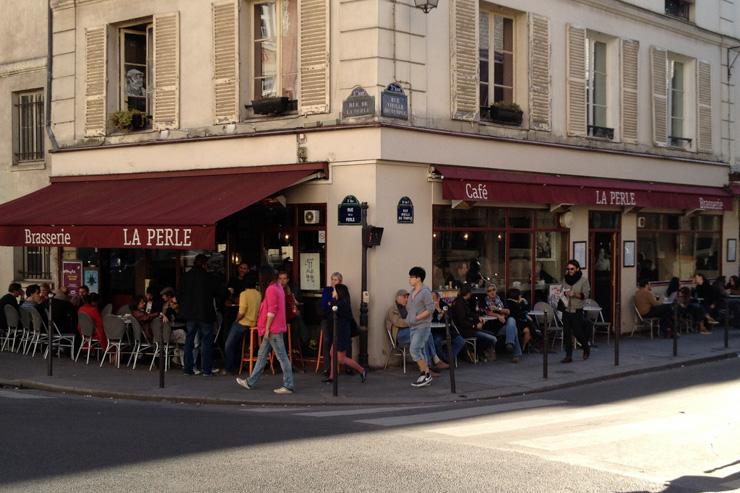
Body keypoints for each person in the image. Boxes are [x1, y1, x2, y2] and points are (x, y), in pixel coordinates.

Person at [236, 266, 294, 394]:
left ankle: (288, 385)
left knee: (281, 357)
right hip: (275, 327)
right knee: (262, 355)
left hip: (272, 328)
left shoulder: (271, 289)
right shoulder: (278, 287)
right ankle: (250, 382)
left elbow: (271, 311)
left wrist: (267, 328)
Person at [178, 254, 224, 377]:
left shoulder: (186, 276)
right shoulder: (208, 277)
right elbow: (219, 292)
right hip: (205, 313)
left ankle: (188, 369)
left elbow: (180, 294)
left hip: (190, 314)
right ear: (204, 264)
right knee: (206, 342)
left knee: (189, 341)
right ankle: (206, 370)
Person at [385, 289, 448, 375]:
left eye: (407, 297)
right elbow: (398, 322)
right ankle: (428, 367)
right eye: (405, 297)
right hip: (400, 335)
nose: (407, 299)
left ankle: (434, 360)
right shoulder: (392, 310)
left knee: (426, 333)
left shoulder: (407, 308)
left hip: (410, 332)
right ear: (398, 298)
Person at [321, 283, 367, 383]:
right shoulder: (340, 302)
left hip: (341, 334)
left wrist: (330, 304)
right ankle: (332, 377)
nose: (332, 292)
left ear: (339, 292)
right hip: (338, 333)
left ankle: (362, 370)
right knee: (332, 353)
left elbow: (333, 311)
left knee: (341, 359)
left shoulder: (341, 304)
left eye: (334, 290)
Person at [222, 282, 261, 375]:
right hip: (255, 324)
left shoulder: (244, 294)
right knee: (240, 343)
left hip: (244, 323)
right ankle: (240, 364)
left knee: (228, 344)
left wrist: (236, 320)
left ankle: (229, 368)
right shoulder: (258, 294)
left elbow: (242, 311)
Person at [406, 266, 435, 388]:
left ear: (418, 278)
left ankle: (426, 375)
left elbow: (431, 309)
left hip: (422, 326)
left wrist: (417, 318)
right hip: (413, 326)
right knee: (420, 350)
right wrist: (410, 319)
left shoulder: (425, 292)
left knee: (414, 350)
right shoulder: (412, 292)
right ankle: (425, 374)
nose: (409, 279)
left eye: (411, 277)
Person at [451, 284, 497, 359]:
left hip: (468, 328)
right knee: (493, 338)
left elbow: (469, 313)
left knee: (491, 334)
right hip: (465, 330)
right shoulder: (459, 304)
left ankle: (479, 352)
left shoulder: (462, 301)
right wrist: (475, 326)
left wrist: (478, 317)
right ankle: (479, 352)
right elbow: (462, 321)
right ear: (468, 293)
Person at [560, 259, 591, 363]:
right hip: (566, 309)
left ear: (577, 269)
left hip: (577, 310)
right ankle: (568, 355)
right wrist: (562, 293)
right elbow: (562, 290)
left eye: (572, 268)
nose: (570, 270)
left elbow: (586, 295)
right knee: (566, 334)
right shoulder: (565, 279)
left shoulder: (583, 280)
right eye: (568, 269)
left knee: (578, 333)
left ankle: (586, 347)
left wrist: (574, 294)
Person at [482, 284, 522, 363]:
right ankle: (515, 353)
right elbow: (487, 312)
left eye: (493, 290)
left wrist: (497, 309)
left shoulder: (500, 299)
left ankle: (510, 343)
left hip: (505, 325)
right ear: (486, 293)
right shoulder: (484, 301)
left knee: (511, 320)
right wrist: (498, 316)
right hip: (495, 327)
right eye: (489, 291)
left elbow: (508, 311)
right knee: (513, 329)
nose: (492, 292)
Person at [431, 291, 465, 364]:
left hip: (447, 330)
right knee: (436, 342)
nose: (432, 301)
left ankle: (446, 358)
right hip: (436, 331)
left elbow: (448, 319)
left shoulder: (445, 306)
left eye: (433, 298)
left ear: (438, 298)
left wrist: (438, 309)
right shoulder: (428, 308)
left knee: (461, 341)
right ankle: (445, 360)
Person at [320, 272, 344, 374]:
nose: (333, 282)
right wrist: (332, 302)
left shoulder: (343, 291)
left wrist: (332, 303)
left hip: (338, 319)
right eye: (332, 279)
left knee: (343, 339)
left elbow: (343, 306)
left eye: (336, 280)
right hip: (327, 319)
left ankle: (346, 367)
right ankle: (327, 367)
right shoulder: (327, 290)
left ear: (340, 281)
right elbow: (324, 304)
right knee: (326, 340)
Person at [505, 288, 533, 354]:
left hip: (518, 322)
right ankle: (522, 348)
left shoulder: (513, 302)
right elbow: (524, 310)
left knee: (528, 328)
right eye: (520, 295)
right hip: (516, 323)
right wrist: (523, 301)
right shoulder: (515, 303)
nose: (521, 296)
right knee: (528, 329)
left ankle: (521, 348)